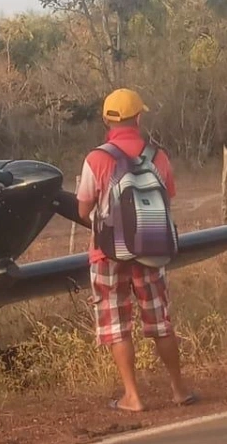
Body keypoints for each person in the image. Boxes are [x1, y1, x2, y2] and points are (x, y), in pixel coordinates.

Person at [76, 88, 198, 412]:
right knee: (160, 320)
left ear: (106, 119)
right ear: (139, 117)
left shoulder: (96, 158)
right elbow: (167, 197)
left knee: (116, 324)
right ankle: (179, 389)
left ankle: (133, 396)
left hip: (107, 254)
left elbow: (83, 209)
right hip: (151, 250)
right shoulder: (159, 156)